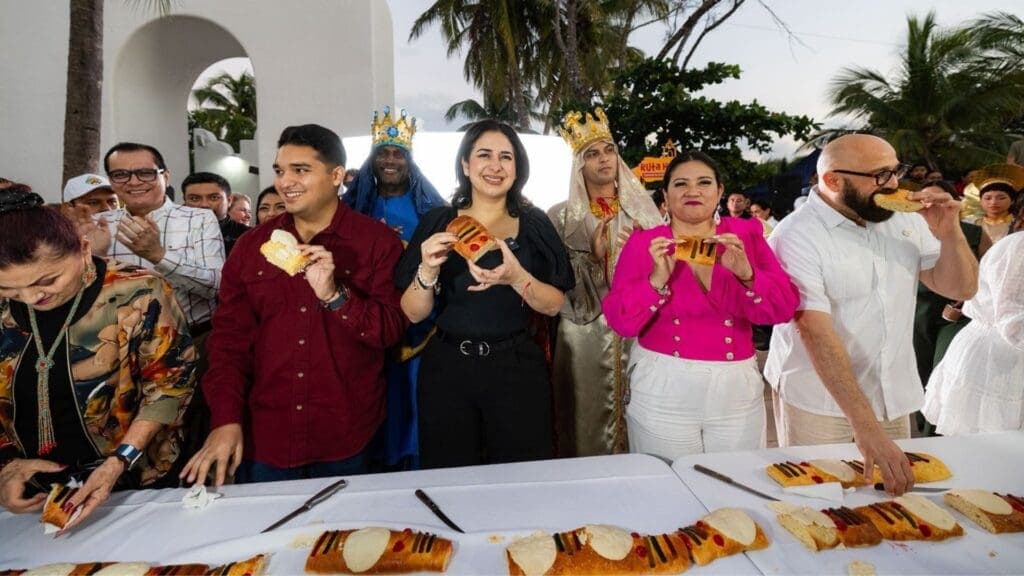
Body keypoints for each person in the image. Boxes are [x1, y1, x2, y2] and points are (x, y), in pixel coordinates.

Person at [181, 124, 406, 485]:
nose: (286, 182)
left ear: (335, 176)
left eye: (300, 170)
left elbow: (389, 332)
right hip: (266, 436)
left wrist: (335, 295)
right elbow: (228, 344)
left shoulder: (376, 242)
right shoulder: (252, 247)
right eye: (280, 171)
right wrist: (225, 419)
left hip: (347, 434)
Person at [764, 134, 978, 495]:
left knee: (894, 502)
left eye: (896, 171)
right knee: (822, 501)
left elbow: (960, 289)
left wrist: (949, 231)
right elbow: (814, 332)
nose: (894, 184)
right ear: (833, 181)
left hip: (892, 394)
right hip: (818, 402)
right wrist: (865, 426)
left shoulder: (901, 220)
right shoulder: (795, 236)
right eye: (880, 175)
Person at [0, 186, 196, 526]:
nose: (31, 298)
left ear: (84, 250)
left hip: (132, 477)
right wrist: (7, 466)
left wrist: (120, 460)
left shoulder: (136, 292)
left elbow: (171, 385)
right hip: (32, 491)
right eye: (9, 289)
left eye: (47, 280)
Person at [394, 120, 573, 469]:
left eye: (506, 157)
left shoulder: (534, 223)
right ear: (465, 164)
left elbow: (555, 305)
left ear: (517, 168)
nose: (495, 166)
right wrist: (428, 270)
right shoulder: (438, 222)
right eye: (484, 155)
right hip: (448, 367)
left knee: (522, 475)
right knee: (449, 475)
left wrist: (516, 276)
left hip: (517, 367)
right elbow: (413, 313)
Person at [603, 151, 799, 460]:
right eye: (680, 184)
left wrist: (748, 275)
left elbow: (782, 309)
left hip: (735, 389)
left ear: (720, 191)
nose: (692, 191)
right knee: (669, 484)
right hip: (663, 386)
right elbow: (621, 321)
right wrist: (655, 282)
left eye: (704, 182)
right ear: (665, 195)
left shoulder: (745, 236)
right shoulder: (646, 243)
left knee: (736, 481)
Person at [546, 107, 663, 456]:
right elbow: (555, 283)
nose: (603, 159)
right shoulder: (560, 216)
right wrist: (592, 260)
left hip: (638, 330)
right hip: (583, 332)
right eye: (592, 154)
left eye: (609, 149)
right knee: (582, 416)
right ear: (579, 164)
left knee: (640, 410)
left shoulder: (642, 212)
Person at [342, 107, 446, 469]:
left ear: (409, 160)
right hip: (366, 319)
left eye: (397, 153)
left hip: (419, 324)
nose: (390, 160)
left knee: (415, 399)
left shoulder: (432, 209)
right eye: (382, 153)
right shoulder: (351, 208)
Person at [92, 142, 224, 336]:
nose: (134, 182)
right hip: (119, 343)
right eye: (120, 175)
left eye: (145, 173)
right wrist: (95, 257)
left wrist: (158, 255)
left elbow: (217, 286)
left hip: (191, 337)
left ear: (165, 176)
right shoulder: (98, 224)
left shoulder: (199, 219)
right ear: (111, 181)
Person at [923, 231, 1024, 435]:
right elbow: (1010, 318)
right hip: (995, 359)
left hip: (1011, 357)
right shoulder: (1019, 248)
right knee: (988, 450)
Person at [182, 172, 249, 256]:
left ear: (229, 201)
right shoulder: (171, 235)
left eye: (214, 198)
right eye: (194, 198)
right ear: (184, 202)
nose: (204, 204)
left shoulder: (248, 236)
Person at [965, 164, 1024, 248]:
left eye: (1001, 198)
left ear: (1012, 201)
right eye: (988, 198)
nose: (993, 202)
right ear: (981, 201)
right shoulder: (971, 223)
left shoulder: (1019, 224)